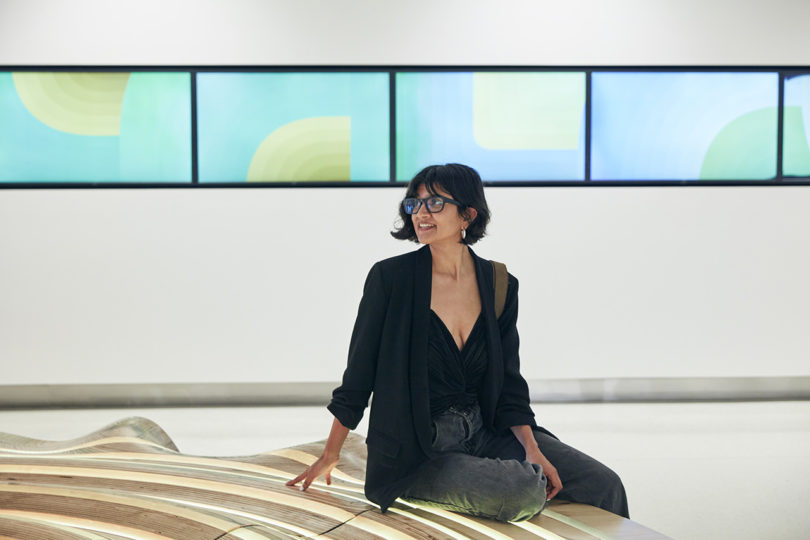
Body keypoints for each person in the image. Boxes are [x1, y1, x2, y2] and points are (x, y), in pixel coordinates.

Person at [287, 163, 628, 522]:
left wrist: (532, 449)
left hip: (485, 431)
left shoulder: (499, 283)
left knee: (603, 483)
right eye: (414, 204)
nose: (420, 213)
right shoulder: (391, 279)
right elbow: (359, 376)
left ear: (468, 213)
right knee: (522, 490)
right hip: (420, 451)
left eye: (435, 203)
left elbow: (509, 381)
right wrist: (331, 453)